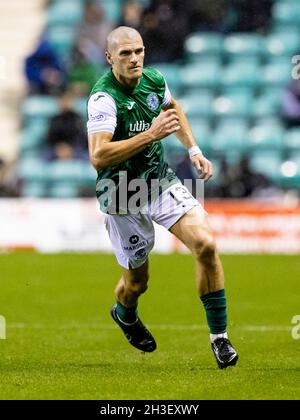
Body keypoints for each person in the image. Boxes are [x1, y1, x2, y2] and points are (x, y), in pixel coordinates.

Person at [87, 26, 238, 369]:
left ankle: (220, 339)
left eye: (138, 51)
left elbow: (173, 108)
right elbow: (98, 156)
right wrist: (151, 134)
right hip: (121, 193)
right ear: (110, 58)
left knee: (206, 244)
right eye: (125, 53)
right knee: (137, 282)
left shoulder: (154, 80)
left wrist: (194, 149)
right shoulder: (103, 99)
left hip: (158, 182)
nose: (134, 58)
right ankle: (125, 313)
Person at [46, 90, 88, 161]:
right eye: (63, 100)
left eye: (68, 99)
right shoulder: (55, 119)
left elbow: (81, 138)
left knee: (85, 156)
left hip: (75, 149)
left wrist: (70, 149)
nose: (66, 102)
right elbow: (50, 138)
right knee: (45, 156)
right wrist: (60, 148)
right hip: (57, 149)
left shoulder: (78, 118)